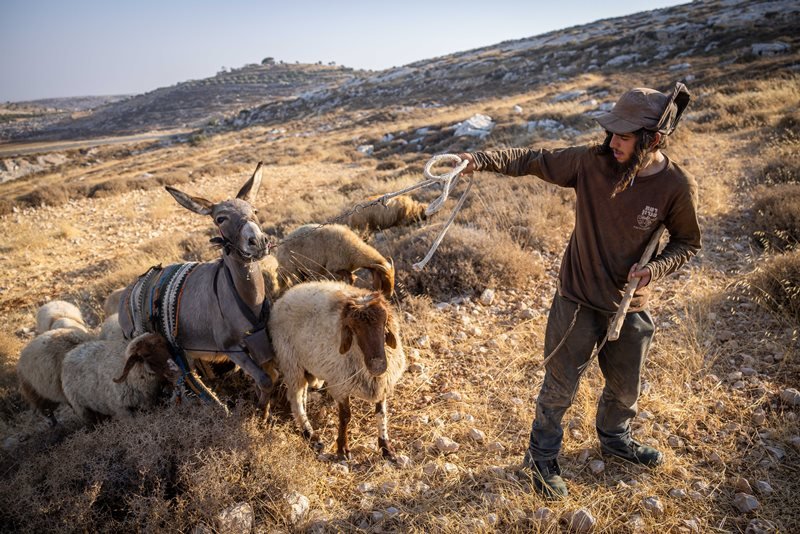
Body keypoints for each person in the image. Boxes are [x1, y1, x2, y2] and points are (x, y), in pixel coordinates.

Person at [456, 82, 701, 499]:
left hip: (628, 305)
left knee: (626, 388)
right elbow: (532, 159)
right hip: (577, 300)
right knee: (559, 387)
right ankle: (541, 458)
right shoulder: (591, 163)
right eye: (612, 132)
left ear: (653, 139)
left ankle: (615, 438)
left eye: (623, 135)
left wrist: (656, 268)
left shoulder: (676, 186)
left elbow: (687, 243)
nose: (612, 141)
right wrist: (479, 159)